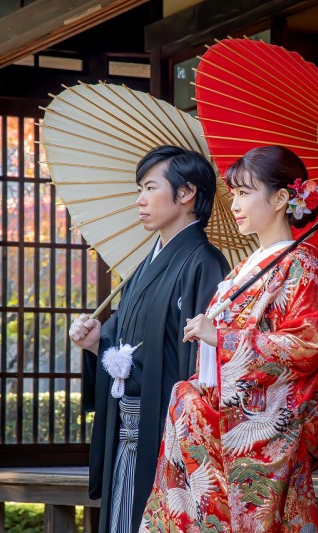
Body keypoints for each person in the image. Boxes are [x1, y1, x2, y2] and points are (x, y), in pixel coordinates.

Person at [141, 145, 318, 532]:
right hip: (214, 420)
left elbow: (305, 344)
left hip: (253, 431)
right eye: (234, 194)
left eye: (245, 193)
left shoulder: (300, 263)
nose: (235, 204)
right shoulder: (247, 267)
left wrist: (222, 338)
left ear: (279, 199)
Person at [69, 145, 230, 533]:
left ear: (187, 193)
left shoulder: (206, 263)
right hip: (127, 428)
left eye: (149, 188)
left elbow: (203, 366)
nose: (140, 200)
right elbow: (123, 344)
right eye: (139, 189)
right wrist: (95, 345)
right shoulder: (144, 265)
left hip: (168, 433)